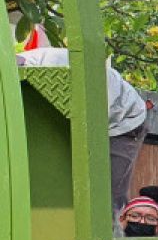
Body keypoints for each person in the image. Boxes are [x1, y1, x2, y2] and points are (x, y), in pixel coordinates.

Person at [16, 47, 148, 218]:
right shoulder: (17, 79)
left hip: (123, 123)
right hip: (80, 115)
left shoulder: (59, 66)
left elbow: (92, 120)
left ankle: (109, 237)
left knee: (105, 197)